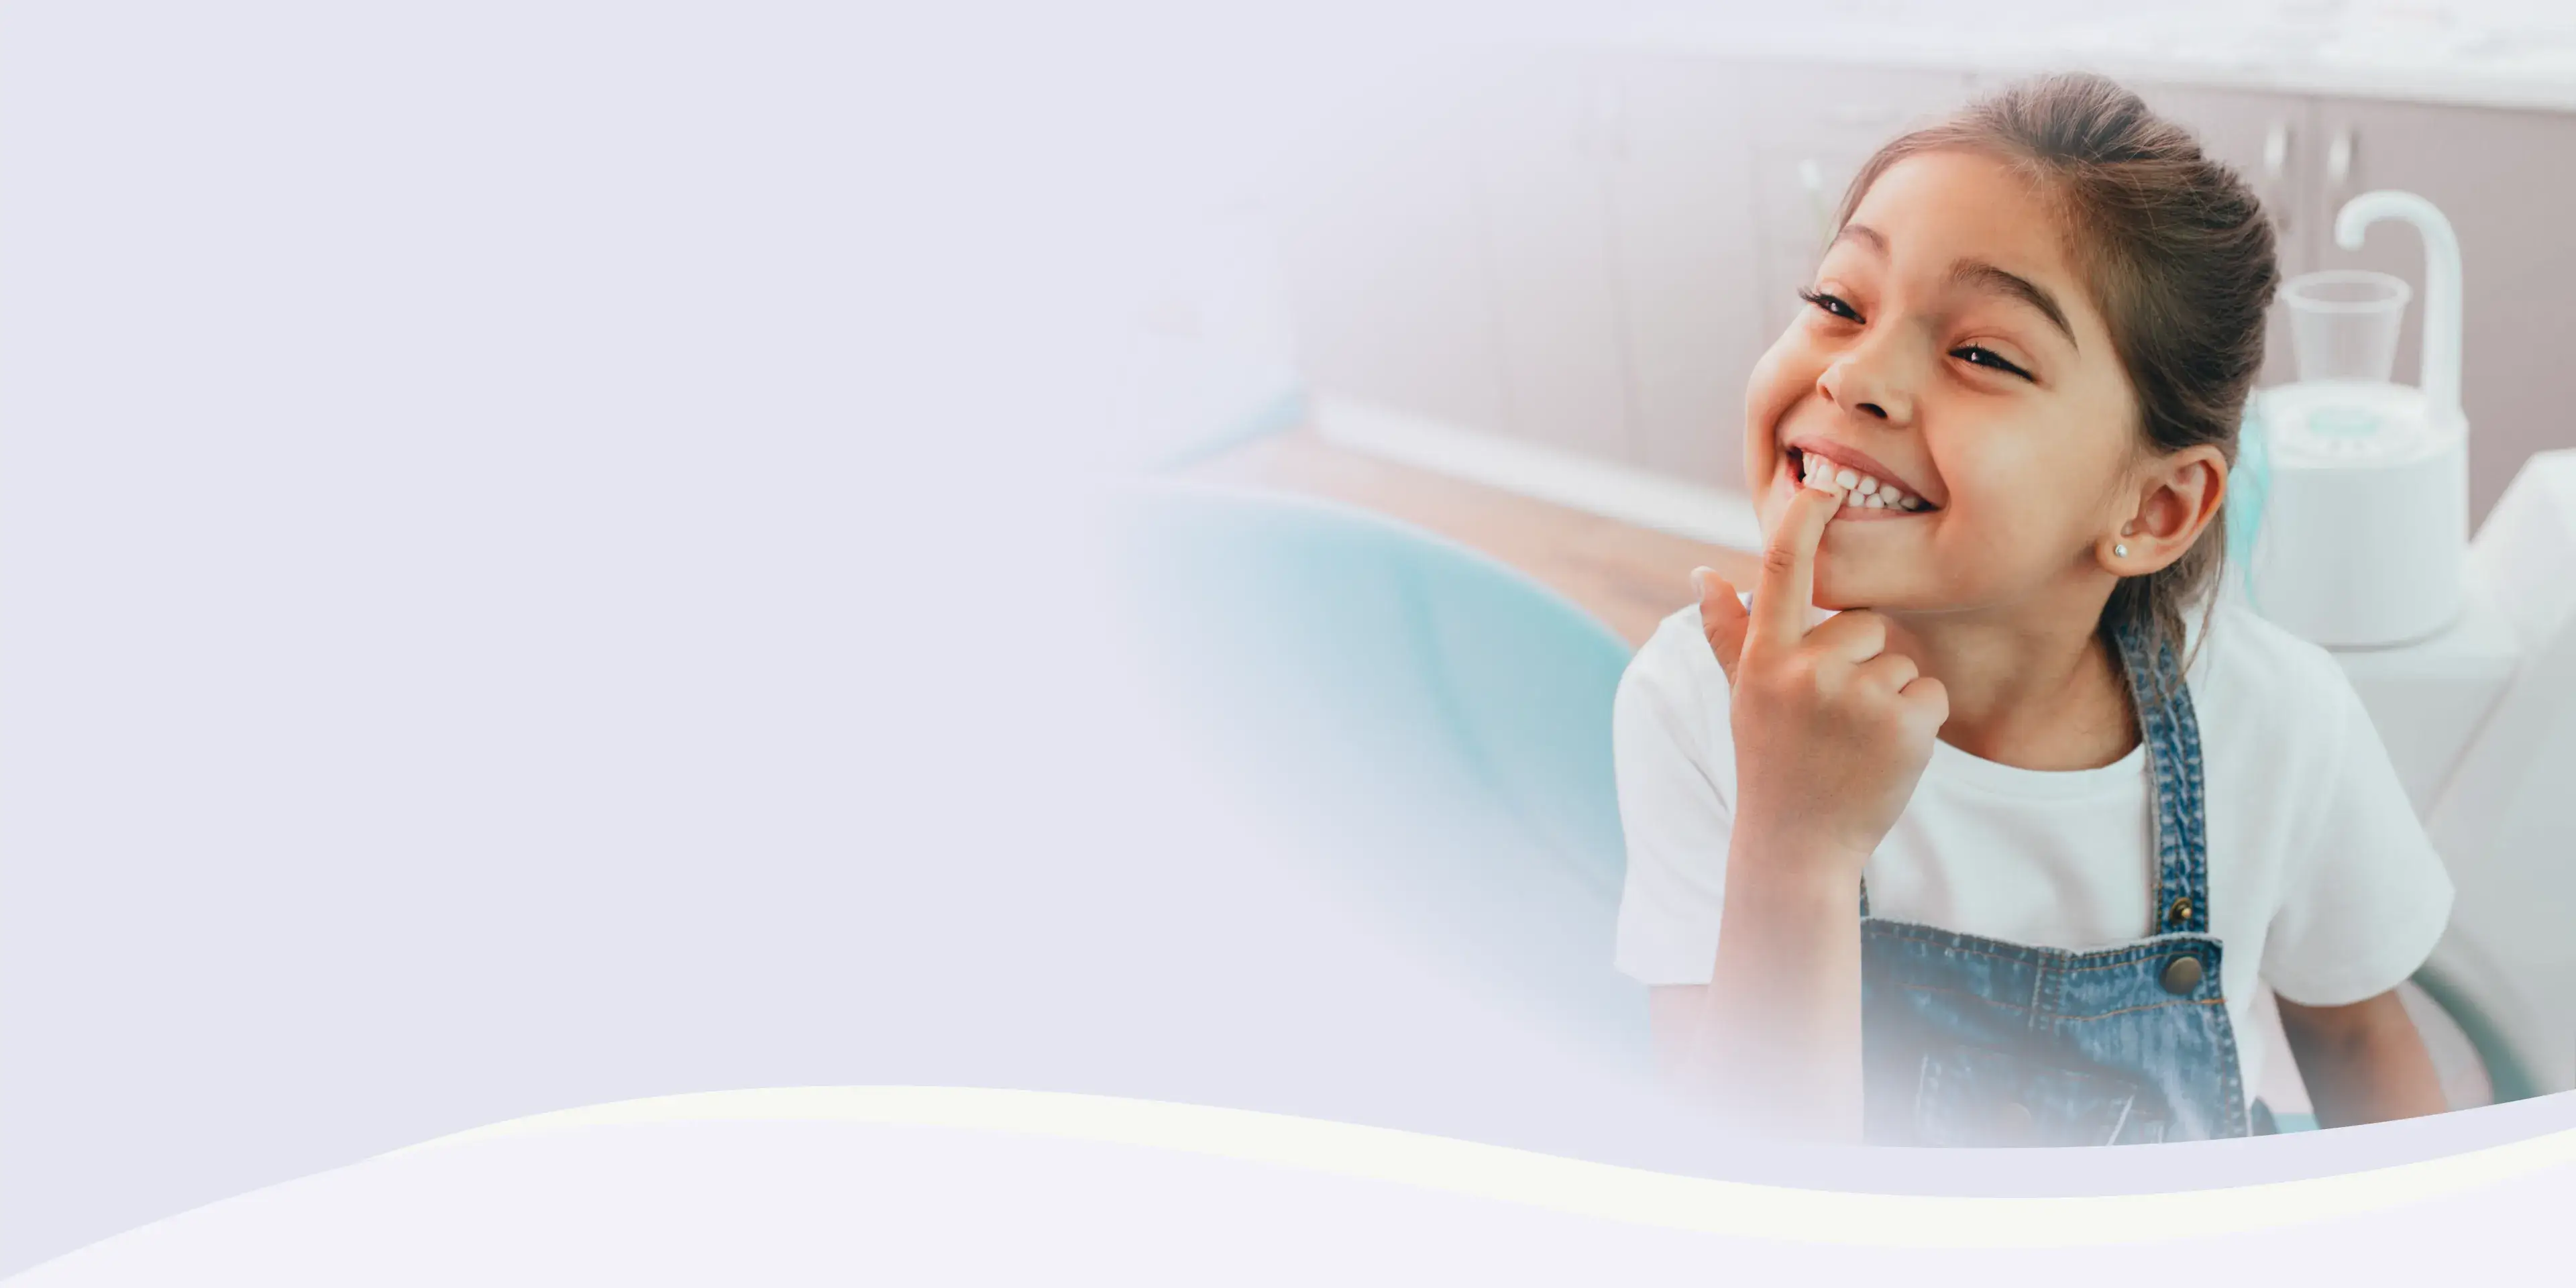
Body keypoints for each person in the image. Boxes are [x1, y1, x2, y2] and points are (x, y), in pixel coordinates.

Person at [1612, 72, 2453, 1146]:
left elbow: (2358, 1042)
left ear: (2152, 508)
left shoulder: (2284, 722)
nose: (1857, 375)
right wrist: (1796, 843)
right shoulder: (1698, 702)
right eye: (1838, 302)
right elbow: (1744, 1198)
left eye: (1981, 354)